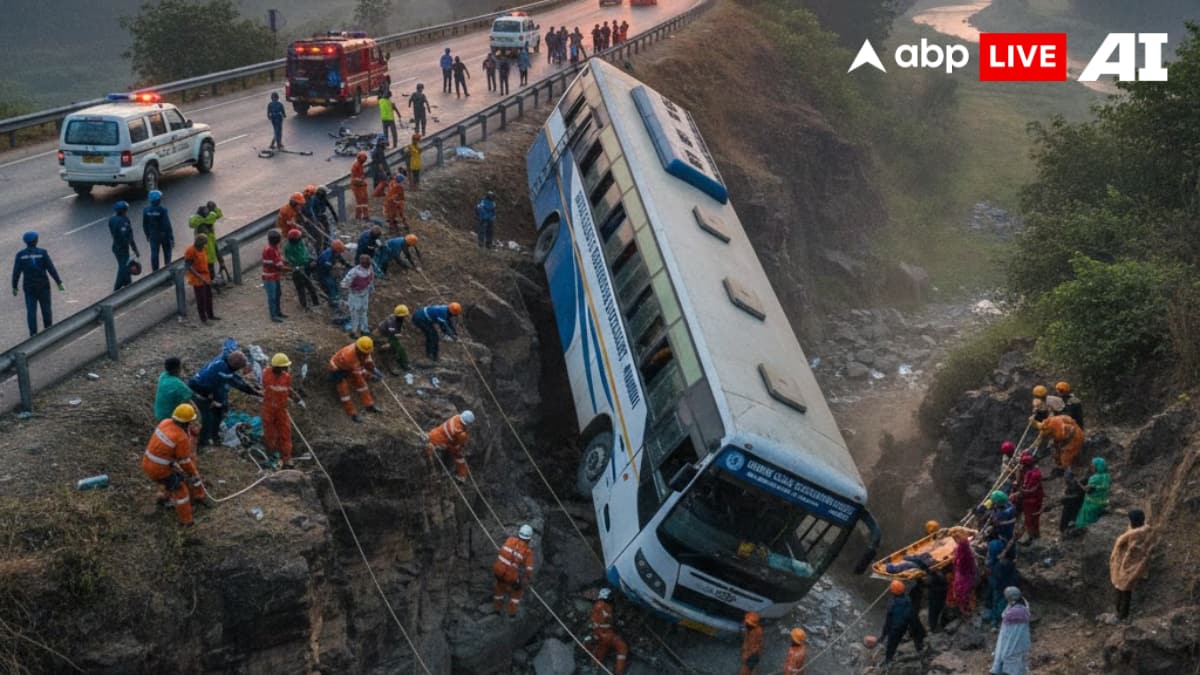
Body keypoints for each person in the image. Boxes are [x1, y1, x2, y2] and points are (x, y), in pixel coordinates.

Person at [142, 403, 207, 526]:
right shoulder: (181, 437)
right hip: (159, 469)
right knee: (181, 490)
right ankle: (186, 521)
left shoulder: (165, 422)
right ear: (187, 422)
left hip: (147, 463)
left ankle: (163, 498)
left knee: (170, 479)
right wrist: (194, 473)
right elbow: (185, 461)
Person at [188, 349, 261, 448]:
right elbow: (236, 383)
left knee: (219, 410)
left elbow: (234, 379)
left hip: (200, 385)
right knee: (208, 418)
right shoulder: (223, 371)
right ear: (235, 366)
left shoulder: (223, 359)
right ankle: (203, 444)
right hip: (200, 392)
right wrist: (254, 392)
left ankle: (212, 436)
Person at [11, 231, 64, 337]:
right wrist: (58, 282)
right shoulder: (43, 253)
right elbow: (51, 268)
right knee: (46, 309)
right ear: (36, 241)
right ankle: (48, 331)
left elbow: (16, 272)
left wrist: (14, 286)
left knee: (31, 311)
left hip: (29, 287)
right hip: (43, 286)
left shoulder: (20, 255)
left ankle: (33, 334)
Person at [1110, 509, 1151, 621]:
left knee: (1123, 591)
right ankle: (1120, 614)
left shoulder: (1133, 535)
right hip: (1132, 565)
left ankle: (1121, 615)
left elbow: (1130, 549)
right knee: (1123, 589)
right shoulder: (1144, 531)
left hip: (1127, 565)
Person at [262, 352, 302, 468]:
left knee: (285, 433)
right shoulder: (266, 374)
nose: (286, 368)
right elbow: (261, 387)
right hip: (268, 409)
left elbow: (289, 390)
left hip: (281, 410)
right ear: (278, 367)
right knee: (270, 434)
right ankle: (272, 455)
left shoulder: (286, 377)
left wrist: (298, 399)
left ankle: (286, 458)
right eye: (285, 366)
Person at [329, 336, 382, 421]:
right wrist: (371, 376)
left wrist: (373, 369)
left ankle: (369, 405)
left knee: (362, 385)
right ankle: (352, 413)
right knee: (344, 391)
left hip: (351, 368)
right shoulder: (349, 356)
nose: (366, 354)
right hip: (338, 369)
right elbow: (358, 371)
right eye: (364, 353)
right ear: (358, 349)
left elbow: (367, 360)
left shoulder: (364, 350)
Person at [493, 523, 536, 617]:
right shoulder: (527, 551)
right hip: (509, 576)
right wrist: (529, 580)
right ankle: (512, 613)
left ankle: (497, 609)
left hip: (498, 571)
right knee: (517, 591)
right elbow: (529, 570)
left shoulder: (510, 540)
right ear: (529, 539)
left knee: (500, 587)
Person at [881, 579, 924, 666]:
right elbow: (911, 615)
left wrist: (883, 635)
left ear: (893, 591)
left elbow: (888, 621)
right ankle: (919, 648)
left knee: (891, 645)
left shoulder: (892, 603)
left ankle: (888, 661)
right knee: (899, 640)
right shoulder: (908, 599)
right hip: (904, 625)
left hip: (895, 628)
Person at [990, 587, 1031, 675]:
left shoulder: (1017, 611)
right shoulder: (1019, 606)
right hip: (1013, 639)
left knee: (1009, 658)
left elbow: (1012, 630)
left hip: (1013, 640)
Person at [589, 587, 629, 674]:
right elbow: (602, 621)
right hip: (605, 635)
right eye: (610, 596)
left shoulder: (602, 605)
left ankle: (596, 667)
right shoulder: (601, 606)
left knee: (616, 648)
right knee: (620, 648)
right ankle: (617, 671)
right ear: (606, 596)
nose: (612, 598)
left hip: (605, 634)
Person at [426, 410, 474, 482]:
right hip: (439, 442)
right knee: (459, 457)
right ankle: (461, 476)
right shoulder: (461, 433)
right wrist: (460, 448)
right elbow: (459, 444)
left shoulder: (456, 417)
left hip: (433, 434)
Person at [1032, 410, 1084, 475]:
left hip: (1074, 439)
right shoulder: (1048, 422)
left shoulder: (1057, 427)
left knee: (1066, 457)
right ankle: (1063, 467)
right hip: (1067, 437)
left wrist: (1060, 446)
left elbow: (1062, 437)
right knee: (1058, 453)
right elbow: (1043, 435)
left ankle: (1069, 474)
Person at [986, 533, 1019, 629]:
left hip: (1000, 587)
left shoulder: (996, 566)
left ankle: (995, 619)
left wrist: (990, 578)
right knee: (1000, 602)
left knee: (998, 602)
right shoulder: (1007, 562)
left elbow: (995, 581)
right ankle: (995, 617)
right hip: (1007, 586)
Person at [189, 202, 228, 282]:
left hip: (207, 252)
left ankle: (210, 284)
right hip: (206, 253)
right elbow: (220, 218)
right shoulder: (209, 218)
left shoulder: (198, 221)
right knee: (208, 272)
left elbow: (220, 218)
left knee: (208, 271)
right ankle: (210, 285)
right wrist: (214, 208)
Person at [183, 234, 217, 322]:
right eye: (203, 243)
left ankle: (210, 315)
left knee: (208, 296)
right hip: (197, 278)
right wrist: (200, 277)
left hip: (205, 275)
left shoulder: (203, 249)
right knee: (200, 299)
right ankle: (203, 319)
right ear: (198, 242)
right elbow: (188, 267)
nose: (204, 245)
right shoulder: (190, 251)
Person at [284, 229, 321, 310]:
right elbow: (290, 260)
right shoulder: (288, 248)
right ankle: (304, 306)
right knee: (301, 289)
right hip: (297, 271)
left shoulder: (301, 243)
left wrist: (311, 260)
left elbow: (305, 253)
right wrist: (297, 266)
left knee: (310, 286)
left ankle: (316, 303)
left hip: (306, 267)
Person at [109, 201, 141, 291]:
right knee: (123, 268)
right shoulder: (124, 220)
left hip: (115, 247)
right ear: (123, 211)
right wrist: (135, 249)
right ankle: (117, 288)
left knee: (124, 265)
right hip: (122, 248)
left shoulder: (112, 219)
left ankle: (129, 284)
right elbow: (128, 237)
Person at [341, 255, 375, 337]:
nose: (368, 266)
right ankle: (354, 331)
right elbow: (345, 283)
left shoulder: (370, 269)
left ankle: (364, 329)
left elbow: (371, 280)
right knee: (355, 312)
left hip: (365, 292)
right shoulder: (354, 272)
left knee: (364, 311)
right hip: (355, 294)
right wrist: (345, 290)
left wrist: (371, 289)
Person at [1015, 452, 1044, 544]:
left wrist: (1019, 491)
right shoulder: (1034, 471)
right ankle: (1036, 536)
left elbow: (1029, 490)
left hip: (1031, 501)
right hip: (1035, 499)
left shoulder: (1033, 475)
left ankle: (1031, 539)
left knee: (1030, 520)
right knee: (1034, 518)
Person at [1074, 456, 1110, 529]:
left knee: (1085, 514)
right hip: (1103, 502)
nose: (1092, 468)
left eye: (1093, 466)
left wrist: (1078, 483)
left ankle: (1082, 527)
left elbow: (1086, 490)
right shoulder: (1107, 476)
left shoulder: (1094, 478)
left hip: (1091, 503)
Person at [153, 357, 193, 422]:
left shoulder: (163, 376)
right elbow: (189, 399)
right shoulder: (178, 385)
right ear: (177, 369)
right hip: (170, 417)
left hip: (158, 414)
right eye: (180, 367)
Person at [142, 190, 173, 271]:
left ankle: (155, 272)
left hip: (153, 235)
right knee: (167, 252)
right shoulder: (163, 210)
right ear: (159, 200)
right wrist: (171, 237)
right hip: (164, 235)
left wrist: (147, 235)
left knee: (154, 253)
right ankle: (167, 270)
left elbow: (144, 224)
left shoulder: (146, 210)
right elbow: (167, 224)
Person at [951, 527, 977, 615]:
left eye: (955, 538)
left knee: (963, 592)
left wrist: (955, 558)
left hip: (964, 575)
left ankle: (967, 609)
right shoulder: (964, 547)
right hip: (965, 574)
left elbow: (962, 565)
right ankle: (967, 607)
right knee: (965, 591)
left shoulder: (963, 551)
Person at [377, 305, 410, 374]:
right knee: (397, 348)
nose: (406, 316)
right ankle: (395, 365)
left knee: (398, 347)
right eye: (404, 315)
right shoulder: (392, 323)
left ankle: (404, 363)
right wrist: (400, 336)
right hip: (384, 335)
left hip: (388, 332)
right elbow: (392, 335)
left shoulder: (397, 318)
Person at [262, 230, 287, 322]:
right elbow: (279, 265)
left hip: (274, 275)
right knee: (272, 296)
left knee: (277, 294)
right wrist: (292, 268)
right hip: (269, 276)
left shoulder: (273, 248)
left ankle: (277, 312)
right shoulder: (270, 250)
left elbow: (279, 260)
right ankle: (274, 315)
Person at [316, 240, 350, 307]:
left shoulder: (335, 253)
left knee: (335, 285)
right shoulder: (327, 255)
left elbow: (340, 259)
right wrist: (334, 266)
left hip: (328, 272)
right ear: (337, 250)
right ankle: (333, 302)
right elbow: (325, 264)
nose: (340, 252)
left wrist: (347, 265)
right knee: (331, 285)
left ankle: (337, 298)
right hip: (323, 273)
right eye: (340, 251)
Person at [1060, 469, 1086, 536]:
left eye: (1066, 478)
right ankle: (1067, 529)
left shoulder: (1076, 484)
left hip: (1076, 506)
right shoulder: (1070, 485)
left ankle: (1074, 529)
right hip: (1070, 505)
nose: (1065, 479)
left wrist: (1067, 498)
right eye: (1065, 478)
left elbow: (1079, 495)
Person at [351, 151, 370, 222]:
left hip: (361, 186)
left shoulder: (360, 165)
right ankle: (358, 216)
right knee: (359, 201)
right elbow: (355, 179)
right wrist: (362, 182)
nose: (364, 161)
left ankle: (365, 215)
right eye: (363, 160)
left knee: (365, 200)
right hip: (357, 186)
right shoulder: (356, 166)